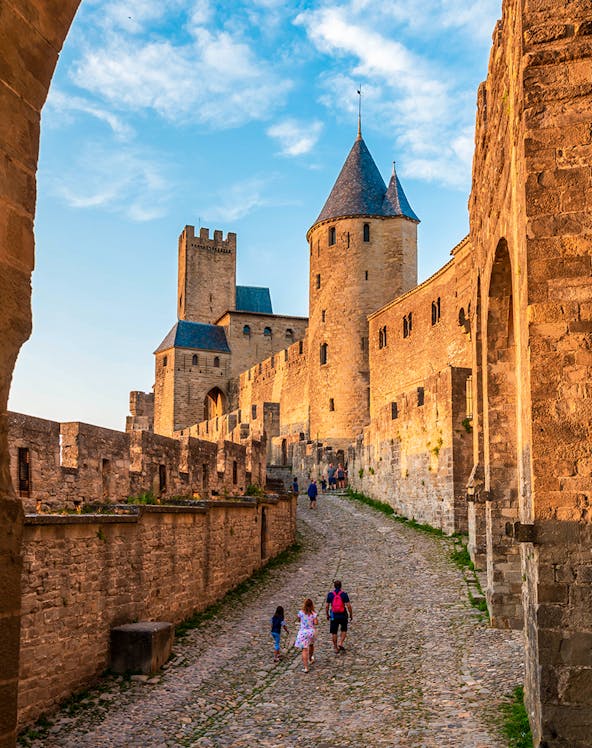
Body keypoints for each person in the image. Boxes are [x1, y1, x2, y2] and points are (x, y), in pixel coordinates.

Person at [325, 579, 353, 653]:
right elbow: (349, 606)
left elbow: (327, 606)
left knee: (334, 632)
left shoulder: (330, 595)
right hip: (343, 614)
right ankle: (340, 642)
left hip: (334, 615)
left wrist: (327, 615)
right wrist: (351, 615)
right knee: (344, 629)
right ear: (341, 586)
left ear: (334, 586)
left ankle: (335, 647)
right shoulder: (344, 594)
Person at [294, 598, 318, 672]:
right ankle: (310, 658)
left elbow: (298, 619)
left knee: (304, 650)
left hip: (303, 632)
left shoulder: (301, 613)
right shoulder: (313, 613)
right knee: (311, 645)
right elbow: (316, 623)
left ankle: (306, 667)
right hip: (311, 632)